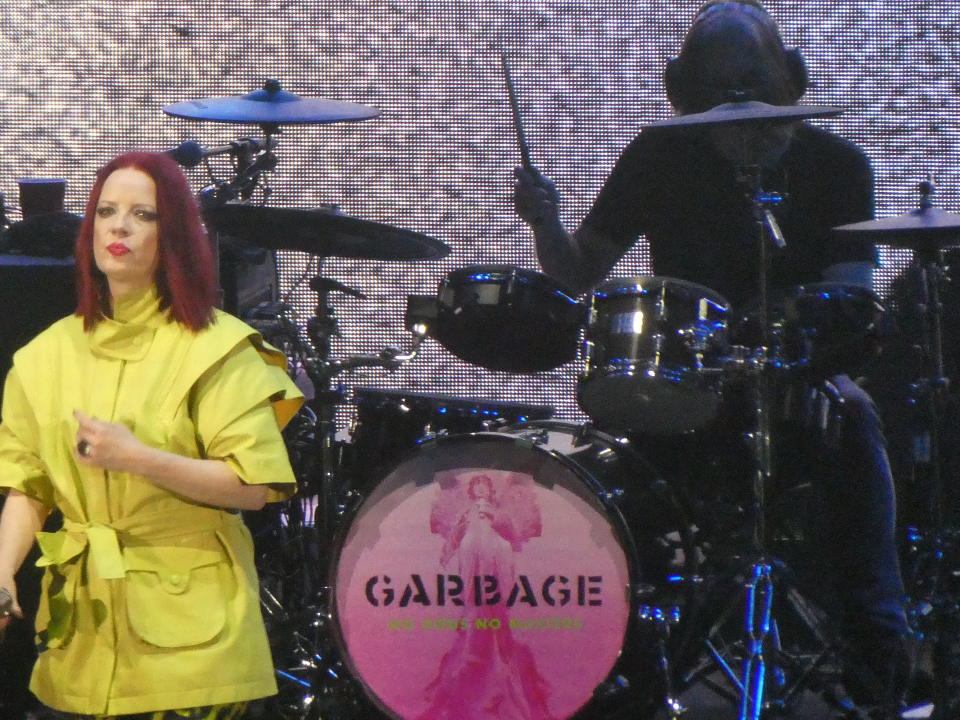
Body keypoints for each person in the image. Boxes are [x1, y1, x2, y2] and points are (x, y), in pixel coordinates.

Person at [514, 1, 911, 718]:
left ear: (791, 80)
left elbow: (850, 296)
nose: (738, 102)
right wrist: (544, 222)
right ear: (686, 91)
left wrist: (789, 324)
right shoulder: (659, 156)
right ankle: (619, 667)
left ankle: (878, 656)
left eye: (751, 82)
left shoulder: (838, 166)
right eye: (718, 87)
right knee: (607, 470)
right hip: (684, 379)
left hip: (801, 375)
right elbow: (579, 275)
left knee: (854, 415)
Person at [0, 152, 303, 719]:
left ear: (176, 238)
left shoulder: (216, 348)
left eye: (143, 214)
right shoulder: (42, 357)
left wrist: (139, 459)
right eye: (106, 212)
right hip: (80, 639)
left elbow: (250, 486)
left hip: (192, 646)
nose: (119, 226)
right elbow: (27, 486)